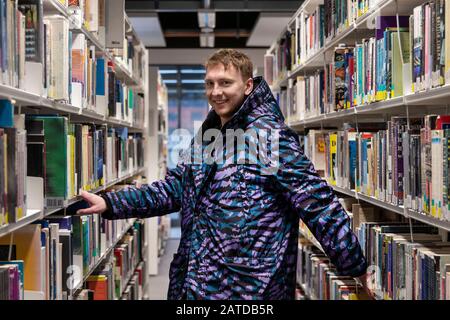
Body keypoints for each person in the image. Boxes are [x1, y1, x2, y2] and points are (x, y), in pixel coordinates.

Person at [78, 49, 370, 300]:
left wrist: (354, 266)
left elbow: (317, 202)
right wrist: (112, 204)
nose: (215, 92)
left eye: (225, 83)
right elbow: (176, 188)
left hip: (250, 288)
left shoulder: (268, 136)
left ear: (247, 85)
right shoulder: (209, 134)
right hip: (198, 282)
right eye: (210, 83)